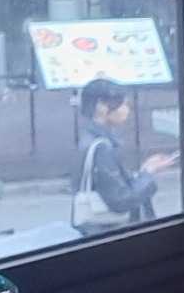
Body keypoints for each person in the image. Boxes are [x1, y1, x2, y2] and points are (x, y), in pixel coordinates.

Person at [68, 79, 172, 233]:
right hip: (110, 231)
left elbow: (112, 186)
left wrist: (143, 172)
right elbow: (121, 200)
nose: (127, 110)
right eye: (123, 104)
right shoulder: (102, 147)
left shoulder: (90, 139)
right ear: (101, 106)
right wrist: (148, 174)